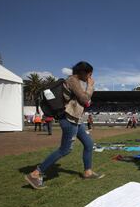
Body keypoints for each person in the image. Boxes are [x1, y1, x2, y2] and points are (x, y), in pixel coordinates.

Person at [25, 61, 104, 189]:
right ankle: (35, 174)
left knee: (89, 144)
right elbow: (84, 99)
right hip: (68, 119)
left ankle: (88, 172)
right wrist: (90, 86)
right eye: (89, 74)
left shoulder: (76, 82)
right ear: (83, 72)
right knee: (65, 149)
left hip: (76, 119)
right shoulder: (73, 80)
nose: (90, 77)